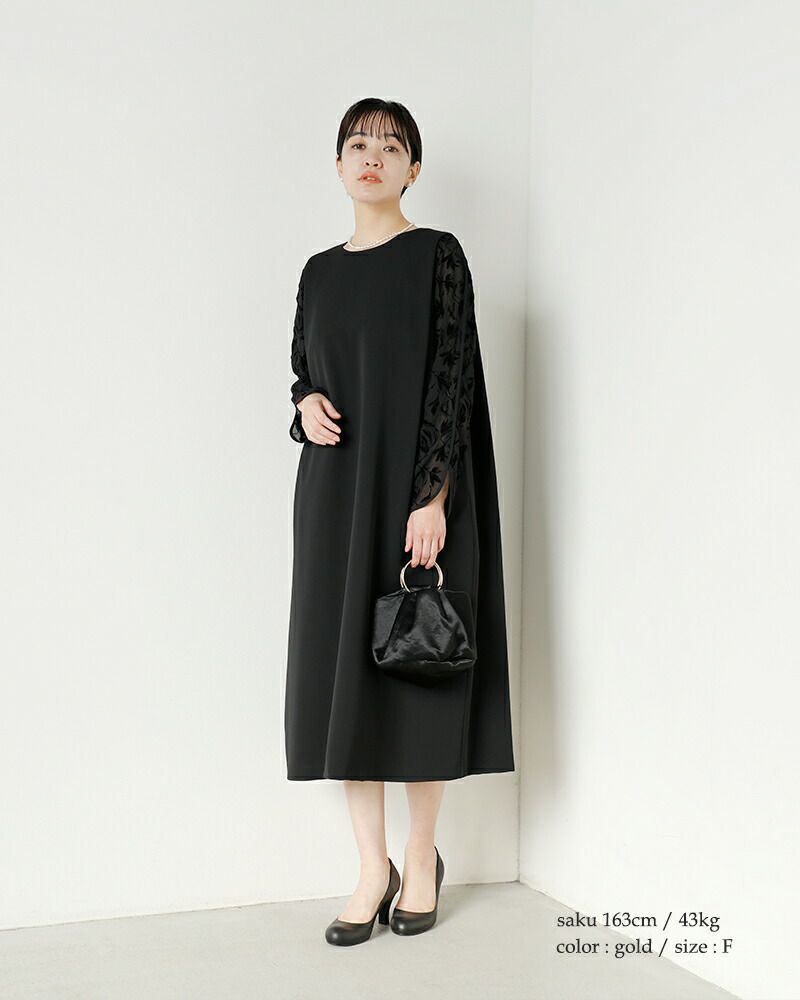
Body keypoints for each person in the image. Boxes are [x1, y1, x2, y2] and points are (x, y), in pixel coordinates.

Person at [284, 98, 515, 946]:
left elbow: (452, 375)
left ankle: (421, 858)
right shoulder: (317, 271)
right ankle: (369, 867)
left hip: (414, 496)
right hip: (336, 497)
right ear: (338, 165)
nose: (371, 155)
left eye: (390, 145)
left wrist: (434, 494)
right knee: (345, 678)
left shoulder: (436, 255)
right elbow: (305, 365)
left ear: (413, 169)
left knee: (418, 673)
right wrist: (302, 403)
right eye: (357, 143)